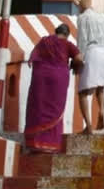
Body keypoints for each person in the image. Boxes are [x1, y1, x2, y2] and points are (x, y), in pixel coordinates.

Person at [24, 24, 83, 153]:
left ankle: (34, 143)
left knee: (38, 107)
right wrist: (74, 64)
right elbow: (79, 58)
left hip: (40, 78)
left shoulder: (44, 41)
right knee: (54, 109)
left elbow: (34, 56)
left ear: (55, 32)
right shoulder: (68, 44)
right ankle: (50, 144)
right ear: (67, 35)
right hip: (58, 80)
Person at [76, 0, 104, 134]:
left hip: (92, 52)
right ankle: (102, 112)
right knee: (100, 89)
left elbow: (82, 39)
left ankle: (89, 126)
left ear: (81, 7)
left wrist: (80, 58)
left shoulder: (82, 18)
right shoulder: (102, 18)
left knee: (83, 92)